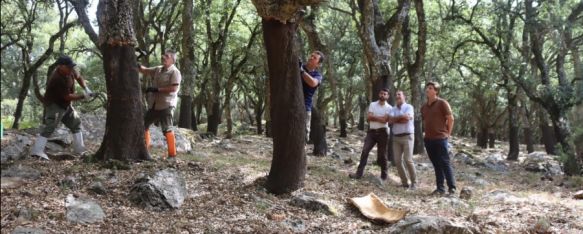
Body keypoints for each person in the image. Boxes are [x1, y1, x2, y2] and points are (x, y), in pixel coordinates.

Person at [30, 55, 95, 160]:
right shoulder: (57, 79)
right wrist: (83, 96)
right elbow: (67, 97)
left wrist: (86, 88)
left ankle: (80, 150)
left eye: (71, 66)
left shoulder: (71, 70)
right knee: (50, 127)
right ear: (60, 66)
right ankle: (37, 151)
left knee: (76, 124)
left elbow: (79, 77)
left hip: (66, 105)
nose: (70, 69)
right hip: (54, 105)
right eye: (68, 67)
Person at [138, 50, 182, 160]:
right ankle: (145, 150)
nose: (163, 57)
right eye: (163, 55)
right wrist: (137, 64)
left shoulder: (175, 72)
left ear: (172, 59)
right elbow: (145, 71)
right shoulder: (158, 69)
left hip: (167, 105)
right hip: (154, 105)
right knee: (144, 124)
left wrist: (157, 89)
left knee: (167, 129)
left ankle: (172, 155)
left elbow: (174, 88)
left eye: (166, 56)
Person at [421, 81, 456, 195]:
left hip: (441, 138)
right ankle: (440, 188)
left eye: (430, 88)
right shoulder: (424, 107)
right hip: (429, 139)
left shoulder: (442, 103)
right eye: (427, 88)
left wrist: (447, 134)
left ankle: (452, 187)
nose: (428, 90)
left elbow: (450, 119)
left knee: (445, 162)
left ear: (436, 91)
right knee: (436, 164)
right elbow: (425, 121)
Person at [349, 88, 392, 181]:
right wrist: (380, 118)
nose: (383, 95)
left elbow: (385, 120)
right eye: (381, 93)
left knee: (382, 155)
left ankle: (384, 176)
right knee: (365, 151)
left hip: (383, 133)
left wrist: (374, 117)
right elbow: (368, 118)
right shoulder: (372, 104)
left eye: (385, 94)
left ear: (388, 96)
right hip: (371, 132)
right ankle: (358, 174)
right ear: (379, 94)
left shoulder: (389, 108)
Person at [390, 91, 417, 189]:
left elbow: (406, 119)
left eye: (399, 94)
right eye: (396, 95)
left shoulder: (409, 107)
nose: (397, 96)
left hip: (407, 137)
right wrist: (400, 118)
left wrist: (396, 119)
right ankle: (405, 183)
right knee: (397, 161)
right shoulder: (393, 108)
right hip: (396, 138)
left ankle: (414, 182)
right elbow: (390, 120)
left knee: (408, 160)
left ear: (404, 97)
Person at [299, 51, 324, 141]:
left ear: (318, 64)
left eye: (314, 58)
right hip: (291, 105)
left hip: (305, 108)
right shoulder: (299, 66)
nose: (311, 58)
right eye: (311, 56)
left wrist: (301, 72)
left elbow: (313, 83)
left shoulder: (318, 75)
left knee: (304, 134)